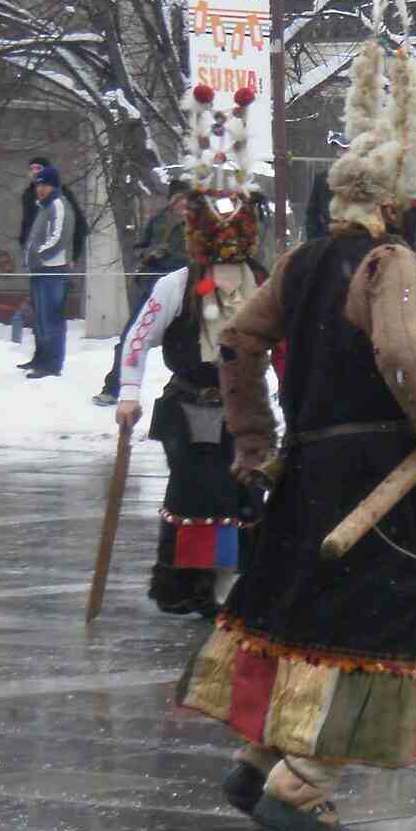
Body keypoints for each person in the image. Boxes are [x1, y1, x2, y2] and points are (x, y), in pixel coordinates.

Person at [181, 10, 416, 831]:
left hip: (307, 471)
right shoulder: (389, 262)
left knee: (307, 617)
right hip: (375, 476)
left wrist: (257, 441)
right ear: (398, 201)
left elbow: (236, 340)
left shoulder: (301, 262)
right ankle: (301, 787)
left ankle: (260, 761)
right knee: (368, 623)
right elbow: (402, 353)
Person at [115, 90, 267, 617]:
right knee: (200, 495)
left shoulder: (261, 283)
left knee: (243, 496)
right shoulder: (176, 285)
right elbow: (137, 339)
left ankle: (232, 583)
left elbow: (286, 343)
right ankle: (191, 586)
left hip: (246, 408)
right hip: (190, 405)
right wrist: (128, 393)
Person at [96, 183, 191, 407]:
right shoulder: (158, 220)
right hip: (153, 286)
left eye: (186, 199)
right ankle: (113, 388)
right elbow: (139, 248)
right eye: (178, 199)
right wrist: (150, 253)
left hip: (184, 287)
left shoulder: (198, 221)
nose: (182, 203)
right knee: (132, 337)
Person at [23, 165, 72, 379]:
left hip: (53, 271)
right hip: (40, 271)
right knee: (41, 319)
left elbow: (59, 238)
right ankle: (42, 359)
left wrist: (38, 256)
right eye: (38, 185)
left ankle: (52, 365)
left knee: (51, 319)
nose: (40, 189)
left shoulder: (58, 204)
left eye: (45, 185)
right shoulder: (44, 207)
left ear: (54, 186)